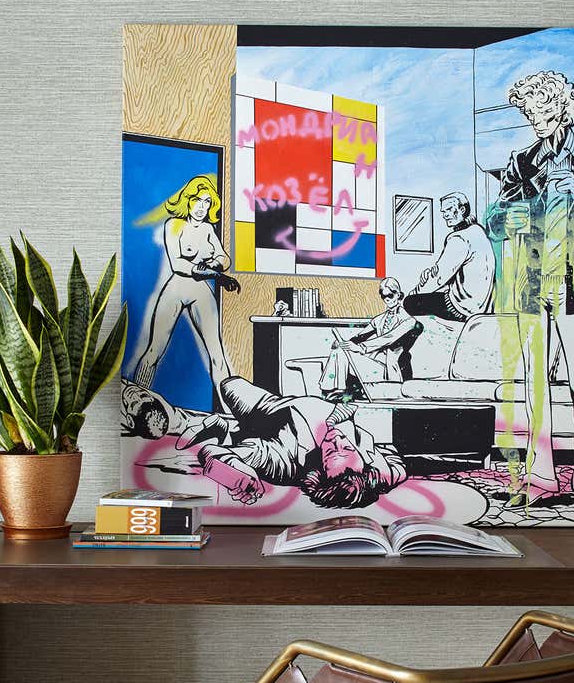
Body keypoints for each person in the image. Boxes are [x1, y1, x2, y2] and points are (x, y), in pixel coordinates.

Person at [485, 70, 574, 504]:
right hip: (536, 280)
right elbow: (495, 217)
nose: (535, 122)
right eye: (529, 115)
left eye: (542, 113)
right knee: (535, 382)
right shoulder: (525, 159)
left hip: (570, 282)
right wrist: (512, 213)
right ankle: (542, 475)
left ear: (562, 106)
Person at [121, 377, 406, 510]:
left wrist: (239, 474)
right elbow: (396, 467)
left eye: (331, 451)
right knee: (230, 384)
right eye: (348, 447)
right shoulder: (372, 463)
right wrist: (384, 467)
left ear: (319, 468)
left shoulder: (283, 461)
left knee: (230, 388)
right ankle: (223, 426)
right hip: (280, 403)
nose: (338, 440)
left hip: (262, 410)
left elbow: (213, 456)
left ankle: (191, 423)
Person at [134, 175, 240, 402]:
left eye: (207, 202)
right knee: (155, 349)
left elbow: (224, 258)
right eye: (198, 201)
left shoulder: (208, 229)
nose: (202, 207)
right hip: (176, 288)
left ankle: (230, 408)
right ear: (188, 201)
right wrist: (213, 272)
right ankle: (136, 397)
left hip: (200, 290)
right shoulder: (173, 225)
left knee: (216, 352)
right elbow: (179, 264)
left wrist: (215, 264)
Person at [319, 277, 423, 398]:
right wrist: (344, 343)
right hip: (375, 362)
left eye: (390, 295)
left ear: (398, 295)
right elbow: (361, 336)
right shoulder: (379, 319)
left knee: (343, 352)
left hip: (390, 369)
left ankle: (340, 391)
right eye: (383, 296)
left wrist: (361, 348)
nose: (387, 299)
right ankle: (330, 390)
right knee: (339, 350)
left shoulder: (409, 321)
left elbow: (387, 339)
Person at [404, 193, 495, 321]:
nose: (445, 215)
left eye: (449, 210)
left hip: (462, 308)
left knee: (409, 303)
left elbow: (438, 277)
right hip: (482, 307)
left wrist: (414, 292)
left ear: (462, 210)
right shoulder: (478, 230)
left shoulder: (459, 238)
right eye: (443, 211)